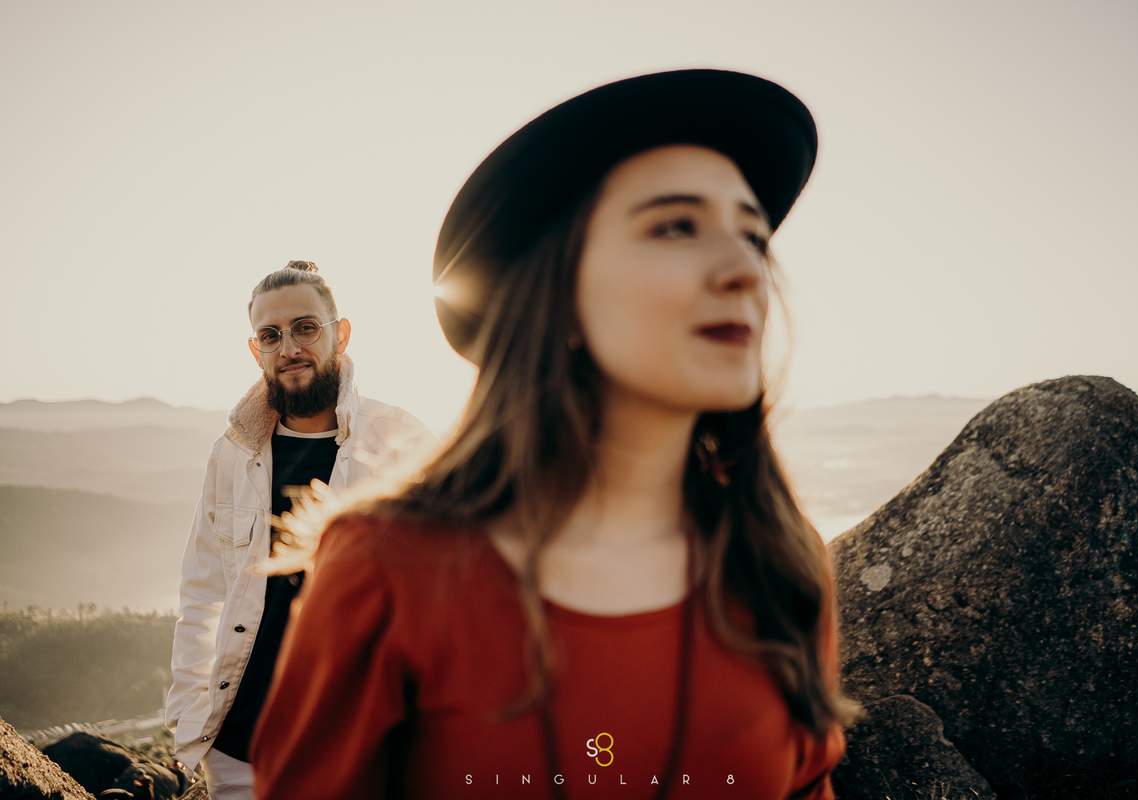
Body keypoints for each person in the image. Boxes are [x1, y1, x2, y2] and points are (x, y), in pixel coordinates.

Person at [253, 70, 858, 799]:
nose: (742, 270)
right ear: (556, 292)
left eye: (753, 236)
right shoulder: (387, 574)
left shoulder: (782, 565)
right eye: (676, 226)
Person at [165, 261, 435, 800]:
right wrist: (188, 713)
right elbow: (203, 590)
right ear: (256, 350)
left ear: (341, 333)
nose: (289, 347)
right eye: (271, 335)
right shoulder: (233, 455)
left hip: (356, 747)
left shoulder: (403, 444)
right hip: (239, 749)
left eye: (305, 327)